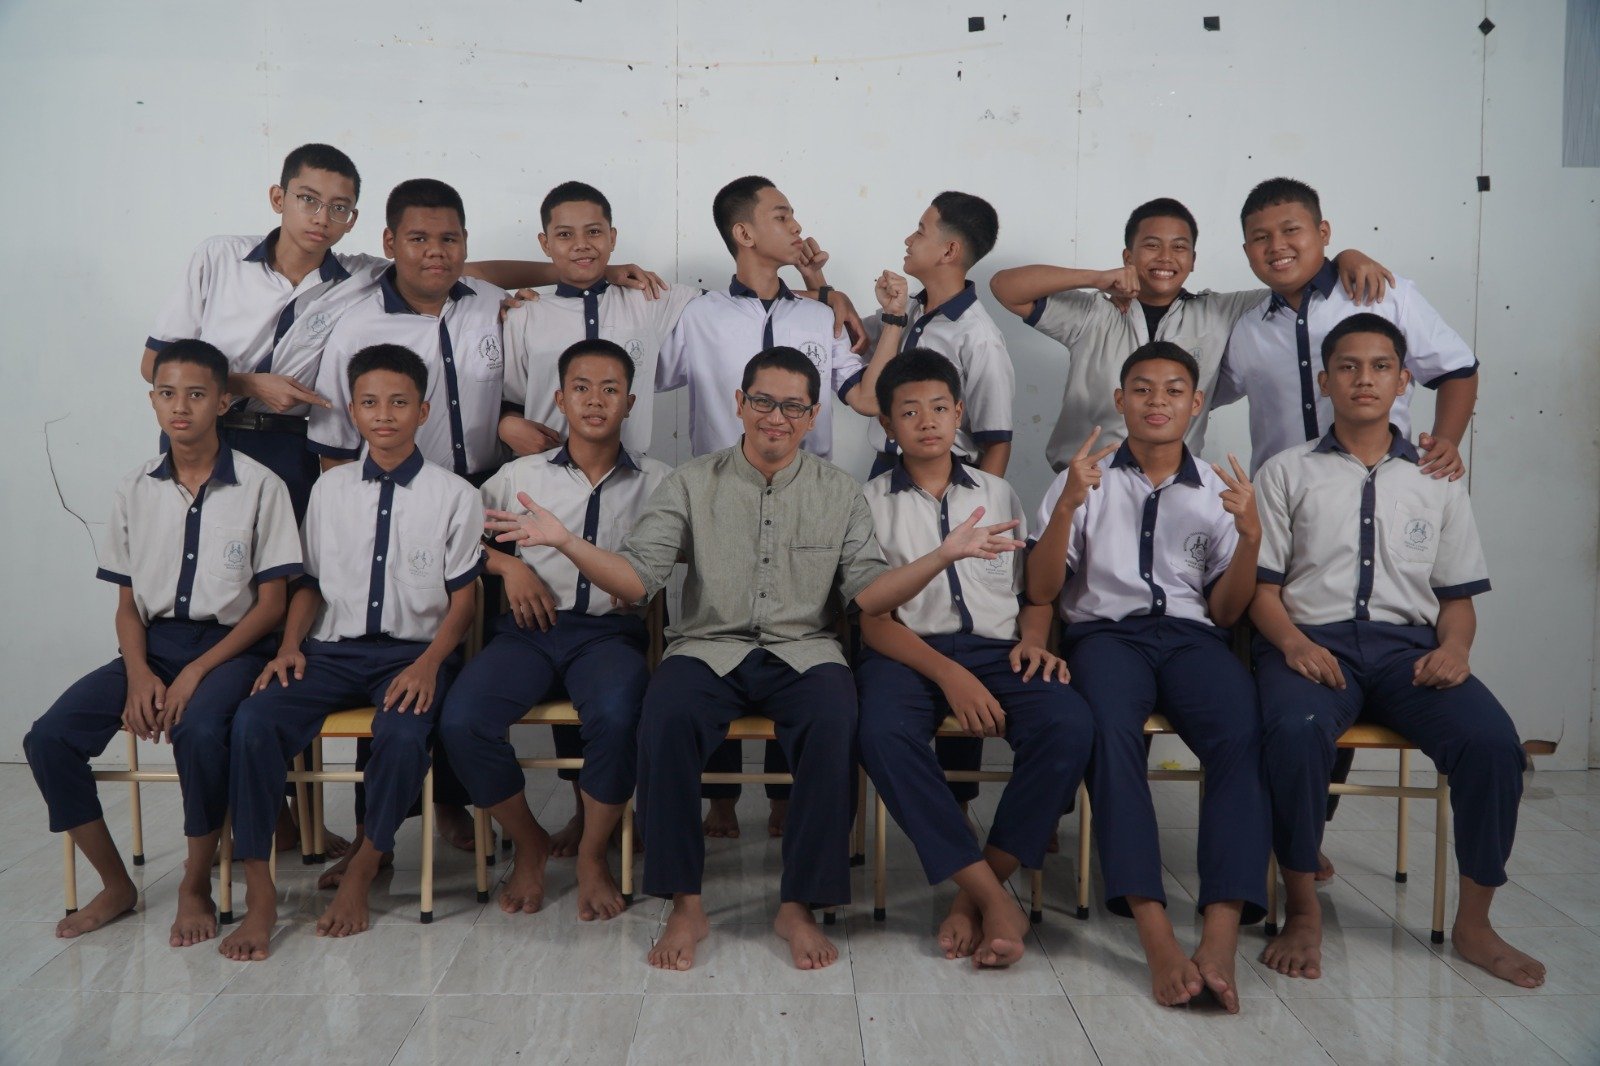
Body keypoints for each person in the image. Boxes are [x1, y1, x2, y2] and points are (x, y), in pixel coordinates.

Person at [487, 346, 1025, 972]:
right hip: (708, 646)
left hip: (805, 650)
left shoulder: (839, 492)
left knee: (835, 717)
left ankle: (798, 904)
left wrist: (942, 556)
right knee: (664, 712)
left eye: (793, 406)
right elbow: (637, 581)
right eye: (764, 401)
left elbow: (868, 597)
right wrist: (565, 542)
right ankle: (686, 902)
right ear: (739, 404)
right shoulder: (691, 483)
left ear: (813, 416)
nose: (777, 417)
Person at [1251, 313, 1543, 990]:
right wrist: (1292, 643)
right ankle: (1302, 909)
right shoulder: (1286, 471)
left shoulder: (1437, 477)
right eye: (1348, 366)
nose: (1364, 379)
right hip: (1311, 643)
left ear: (1404, 380)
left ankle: (1475, 924)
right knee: (1294, 731)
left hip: (1407, 652)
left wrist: (1456, 649)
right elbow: (1262, 590)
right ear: (1324, 381)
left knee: (1493, 745)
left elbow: (1456, 597)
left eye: (1380, 366)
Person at [25, 339, 300, 947]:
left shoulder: (262, 486)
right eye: (168, 393)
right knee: (48, 739)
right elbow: (127, 603)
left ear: (223, 402)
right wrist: (140, 674)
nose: (181, 407)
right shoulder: (134, 489)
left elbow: (272, 606)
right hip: (153, 645)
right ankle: (115, 884)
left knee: (199, 731)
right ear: (152, 400)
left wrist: (196, 672)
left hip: (235, 647)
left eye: (197, 394)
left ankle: (194, 884)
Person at [1026, 341, 1269, 1014]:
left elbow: (1227, 611)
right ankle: (1155, 930)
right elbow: (1041, 590)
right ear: (1120, 400)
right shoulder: (1085, 479)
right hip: (1106, 638)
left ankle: (1219, 934)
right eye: (1142, 388)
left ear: (1196, 404)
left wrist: (1250, 537)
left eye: (1173, 390)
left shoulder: (1219, 490)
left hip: (1193, 640)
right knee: (1109, 733)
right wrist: (1067, 507)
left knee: (1241, 729)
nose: (1157, 401)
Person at [219, 344, 484, 961]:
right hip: (330, 654)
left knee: (403, 732)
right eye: (369, 402)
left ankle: (366, 865)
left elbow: (464, 602)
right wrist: (289, 646)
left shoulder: (454, 495)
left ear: (422, 411)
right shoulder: (329, 490)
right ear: (354, 411)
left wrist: (429, 664)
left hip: (411, 655)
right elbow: (309, 583)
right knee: (253, 721)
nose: (383, 415)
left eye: (398, 403)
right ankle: (260, 893)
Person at [855, 349, 1091, 968]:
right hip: (908, 654)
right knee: (880, 732)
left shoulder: (996, 490)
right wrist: (949, 674)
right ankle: (993, 899)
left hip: (996, 650)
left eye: (939, 407)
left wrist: (1033, 641)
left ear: (960, 412)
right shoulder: (869, 502)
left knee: (1069, 723)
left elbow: (1033, 594)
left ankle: (974, 893)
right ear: (887, 424)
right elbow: (872, 621)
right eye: (910, 411)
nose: (927, 421)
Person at [657, 175, 873, 837]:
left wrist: (849, 303)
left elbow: (864, 396)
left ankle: (786, 796)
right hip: (719, 500)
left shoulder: (819, 315)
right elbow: (644, 373)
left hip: (807, 501)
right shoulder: (697, 315)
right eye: (782, 216)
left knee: (799, 637)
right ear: (744, 232)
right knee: (716, 632)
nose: (796, 226)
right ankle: (719, 799)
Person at [439, 338, 669, 920]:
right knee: (463, 720)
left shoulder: (659, 482)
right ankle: (530, 842)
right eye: (582, 388)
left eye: (611, 389)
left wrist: (647, 577)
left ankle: (592, 854)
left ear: (630, 402)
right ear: (561, 400)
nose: (595, 401)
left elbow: (679, 555)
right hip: (528, 632)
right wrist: (508, 566)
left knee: (619, 717)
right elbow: (453, 539)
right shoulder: (521, 475)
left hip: (609, 634)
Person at [988, 196, 1392, 469]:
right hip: (1086, 482)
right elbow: (1004, 287)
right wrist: (1095, 278)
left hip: (1174, 488)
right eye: (1151, 246)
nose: (1166, 258)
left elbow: (1295, 278)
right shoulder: (1093, 313)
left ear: (1194, 260)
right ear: (1128, 255)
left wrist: (1345, 256)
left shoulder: (1220, 311)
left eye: (1179, 247)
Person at [1217, 177, 1477, 481]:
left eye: (1291, 230)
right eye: (1261, 237)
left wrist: (1445, 441)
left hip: (1380, 487)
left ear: (1323, 232)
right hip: (1278, 498)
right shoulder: (1246, 327)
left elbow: (1456, 369)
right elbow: (1196, 392)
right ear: (1247, 250)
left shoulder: (1383, 295)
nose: (1276, 246)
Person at [855, 192, 1015, 477]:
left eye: (920, 231)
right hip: (885, 472)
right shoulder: (905, 308)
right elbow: (848, 338)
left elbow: (996, 442)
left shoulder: (979, 336)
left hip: (944, 479)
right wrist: (824, 288)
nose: (908, 240)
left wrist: (986, 500)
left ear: (949, 251)